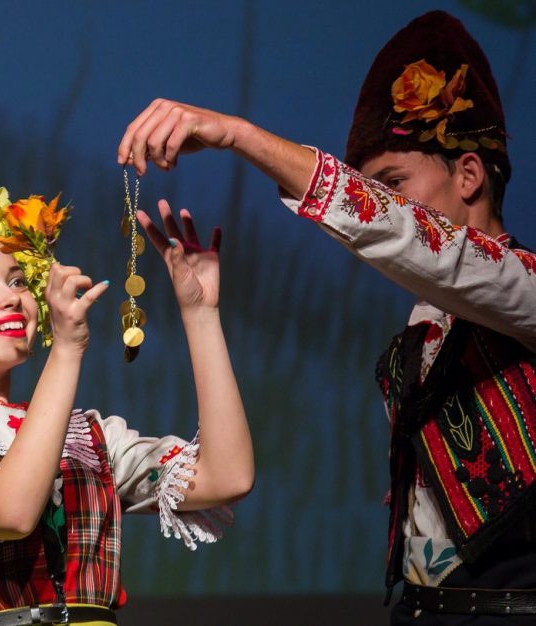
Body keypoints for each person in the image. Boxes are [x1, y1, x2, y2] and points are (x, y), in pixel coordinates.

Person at [117, 9, 536, 625]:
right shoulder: (424, 329)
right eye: (375, 189)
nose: (383, 207)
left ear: (469, 174)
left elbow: (408, 237)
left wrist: (239, 135)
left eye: (394, 183)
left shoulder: (524, 288)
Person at [0, 179, 254, 626]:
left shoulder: (89, 436)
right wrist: (66, 351)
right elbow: (8, 513)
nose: (12, 296)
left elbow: (227, 476)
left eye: (16, 281)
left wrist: (200, 314)